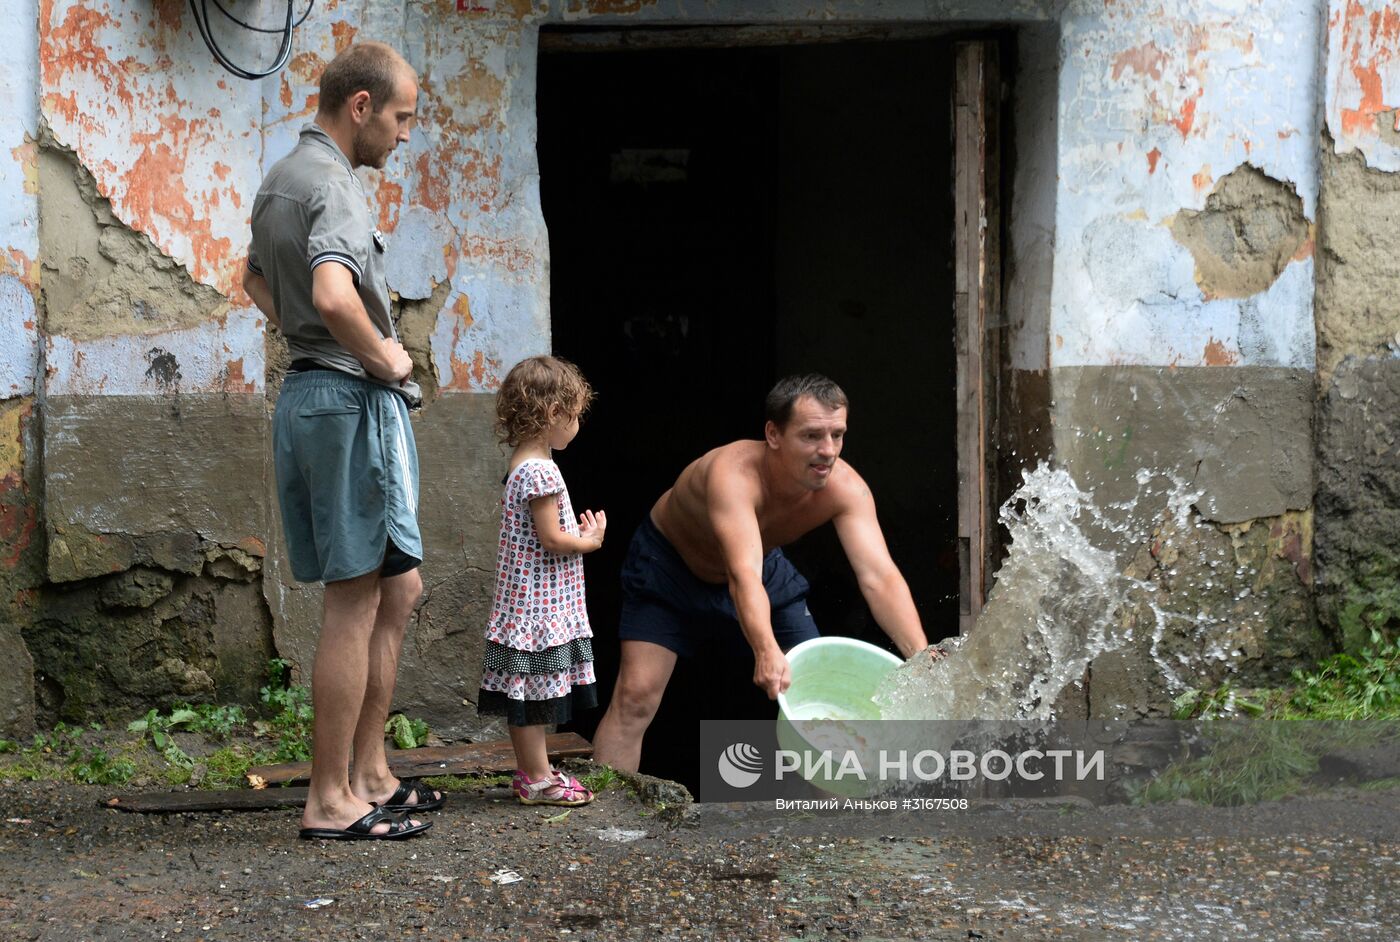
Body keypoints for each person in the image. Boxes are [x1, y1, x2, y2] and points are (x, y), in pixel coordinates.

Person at [242, 42, 441, 840]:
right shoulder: (335, 185)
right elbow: (330, 289)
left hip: (316, 395)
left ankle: (369, 773)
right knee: (357, 600)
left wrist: (312, 342)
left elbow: (253, 279)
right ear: (360, 106)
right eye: (400, 119)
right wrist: (378, 354)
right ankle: (330, 800)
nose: (402, 136)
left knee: (399, 589)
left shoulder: (282, 177)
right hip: (348, 400)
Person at [591, 374, 932, 772]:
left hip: (762, 565)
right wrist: (766, 648)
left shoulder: (846, 489)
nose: (828, 451)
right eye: (811, 436)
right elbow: (742, 576)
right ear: (773, 434)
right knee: (636, 695)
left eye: (837, 435)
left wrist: (920, 658)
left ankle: (832, 821)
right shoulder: (731, 474)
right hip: (671, 567)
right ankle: (607, 819)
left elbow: (879, 576)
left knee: (818, 695)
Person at [479, 356, 605, 806]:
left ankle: (534, 770)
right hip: (538, 603)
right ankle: (536, 777)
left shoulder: (521, 463)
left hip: (524, 600)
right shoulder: (542, 471)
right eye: (574, 416)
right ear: (554, 414)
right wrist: (590, 541)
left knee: (525, 690)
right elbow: (552, 539)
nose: (576, 426)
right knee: (532, 696)